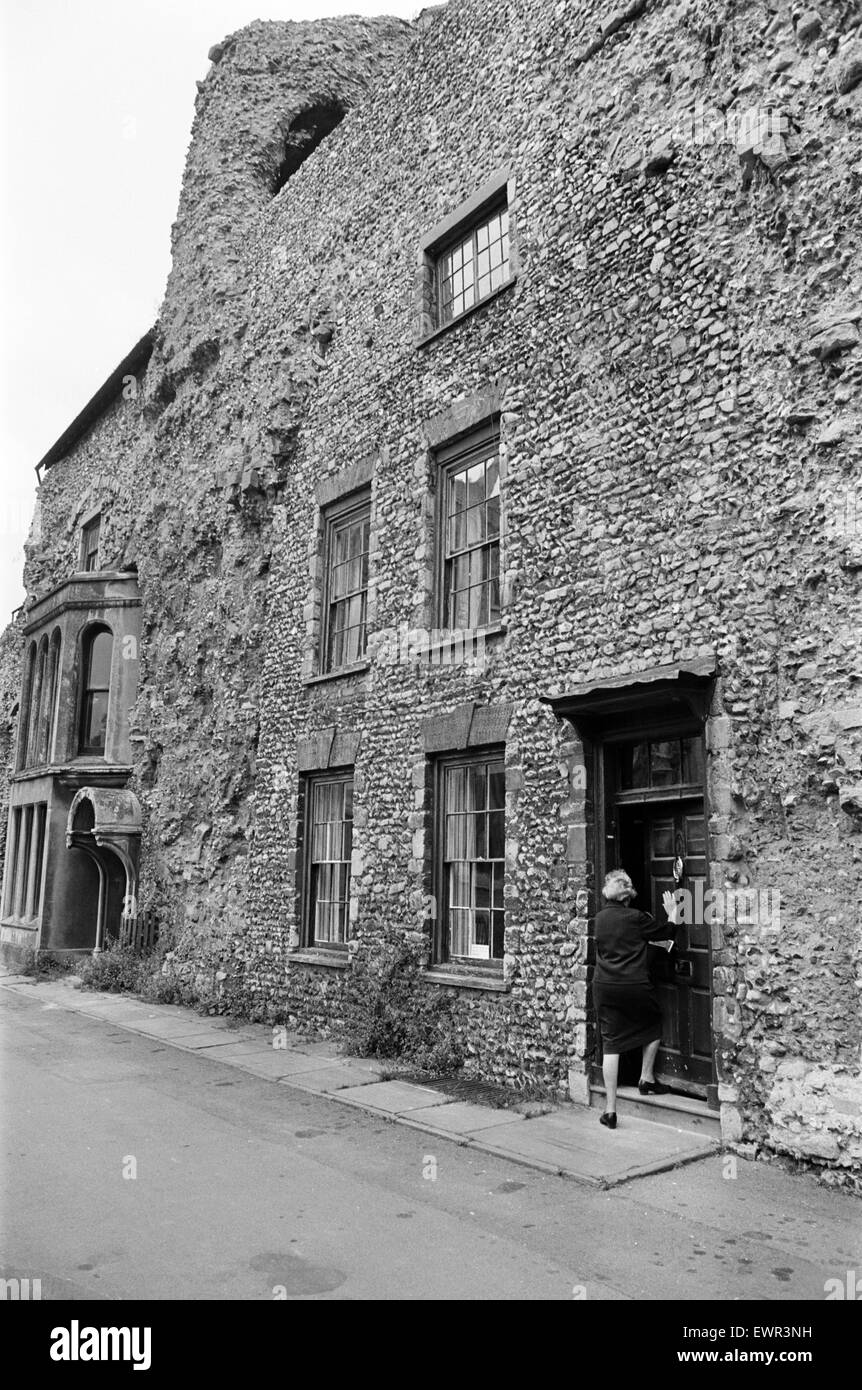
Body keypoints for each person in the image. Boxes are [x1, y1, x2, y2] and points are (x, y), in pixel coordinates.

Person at [592, 869, 682, 1130]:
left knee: (611, 1043)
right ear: (628, 895)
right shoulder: (637, 918)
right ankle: (646, 1078)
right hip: (634, 985)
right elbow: (667, 933)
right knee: (653, 1024)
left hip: (604, 986)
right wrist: (673, 913)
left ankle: (610, 1111)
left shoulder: (599, 919)